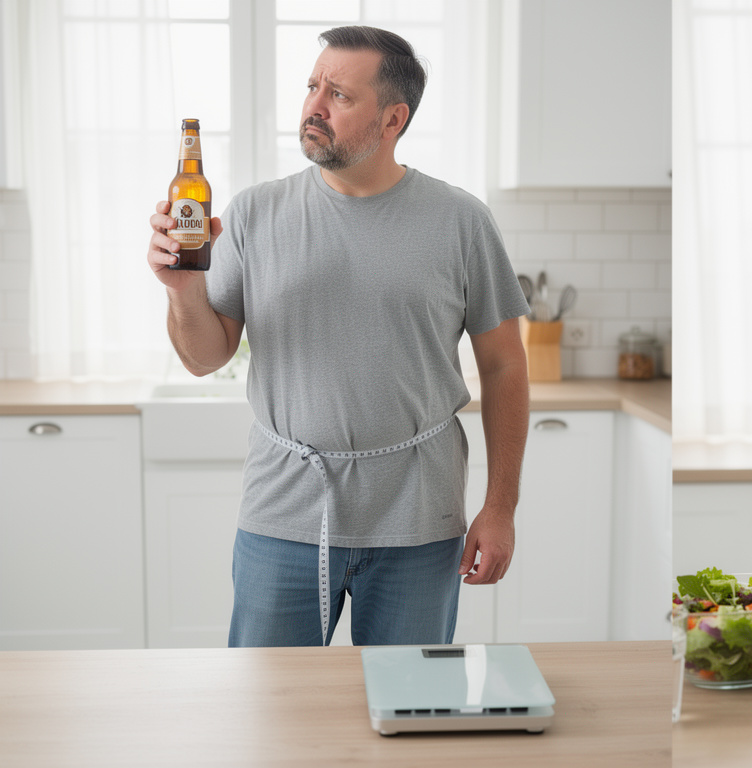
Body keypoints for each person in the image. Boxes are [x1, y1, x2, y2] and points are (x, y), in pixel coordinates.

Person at [145, 26, 530, 646]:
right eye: (312, 87)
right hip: (283, 514)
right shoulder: (251, 214)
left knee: (409, 711)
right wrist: (180, 288)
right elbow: (202, 358)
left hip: (419, 518)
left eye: (340, 95)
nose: (313, 108)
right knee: (270, 711)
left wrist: (501, 505)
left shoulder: (461, 221)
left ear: (392, 119)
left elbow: (506, 367)